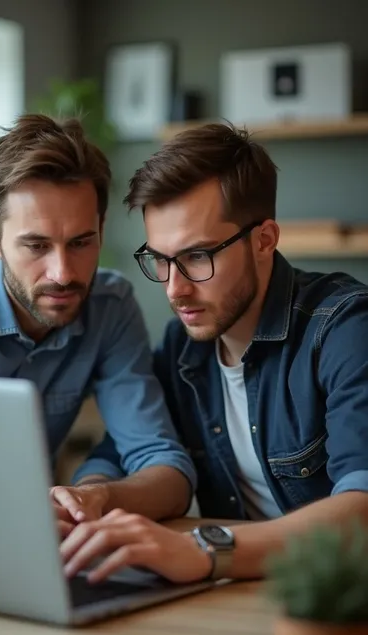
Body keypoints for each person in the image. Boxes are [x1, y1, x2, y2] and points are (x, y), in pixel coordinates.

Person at [61, 121, 368, 585]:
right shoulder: (182, 348)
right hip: (242, 593)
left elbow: (361, 511)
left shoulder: (346, 328)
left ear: (264, 240)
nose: (174, 288)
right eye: (160, 260)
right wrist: (88, 496)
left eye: (198, 256)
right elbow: (123, 451)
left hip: (335, 607)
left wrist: (203, 549)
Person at [0, 114, 197, 533]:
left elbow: (167, 471)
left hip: (24, 541)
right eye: (36, 245)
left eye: (80, 243)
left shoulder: (109, 307)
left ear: (101, 230)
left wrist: (97, 497)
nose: (62, 273)